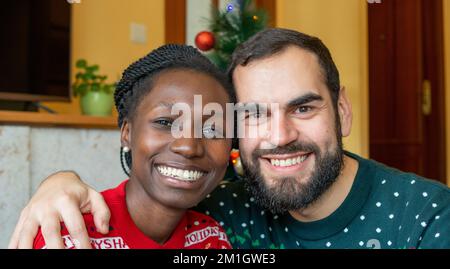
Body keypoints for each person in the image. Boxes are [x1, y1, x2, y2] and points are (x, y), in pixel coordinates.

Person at [10, 28, 450, 249]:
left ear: (342, 110)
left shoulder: (427, 215)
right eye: (256, 113)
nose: (280, 135)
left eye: (303, 107)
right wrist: (59, 182)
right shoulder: (221, 209)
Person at [31, 44, 235, 249]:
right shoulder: (68, 234)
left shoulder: (211, 237)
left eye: (212, 130)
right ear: (127, 133)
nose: (189, 147)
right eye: (166, 123)